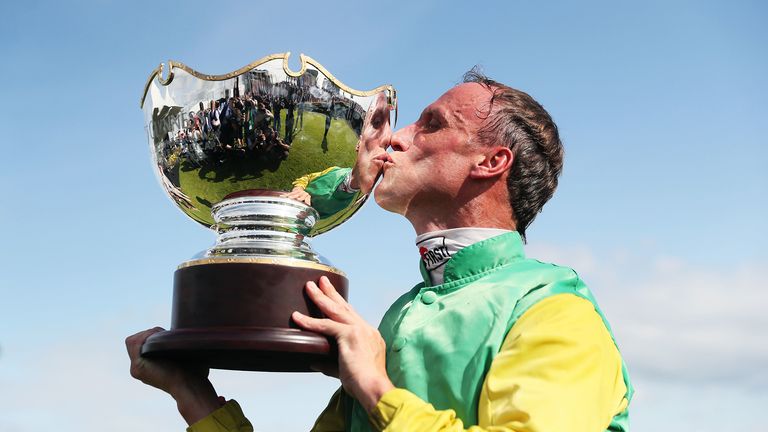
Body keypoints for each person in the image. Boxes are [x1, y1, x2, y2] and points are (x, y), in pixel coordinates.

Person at [126, 70, 633, 431]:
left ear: (491, 160)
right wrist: (193, 395)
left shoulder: (556, 312)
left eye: (431, 124)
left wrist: (373, 384)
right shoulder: (398, 318)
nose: (396, 138)